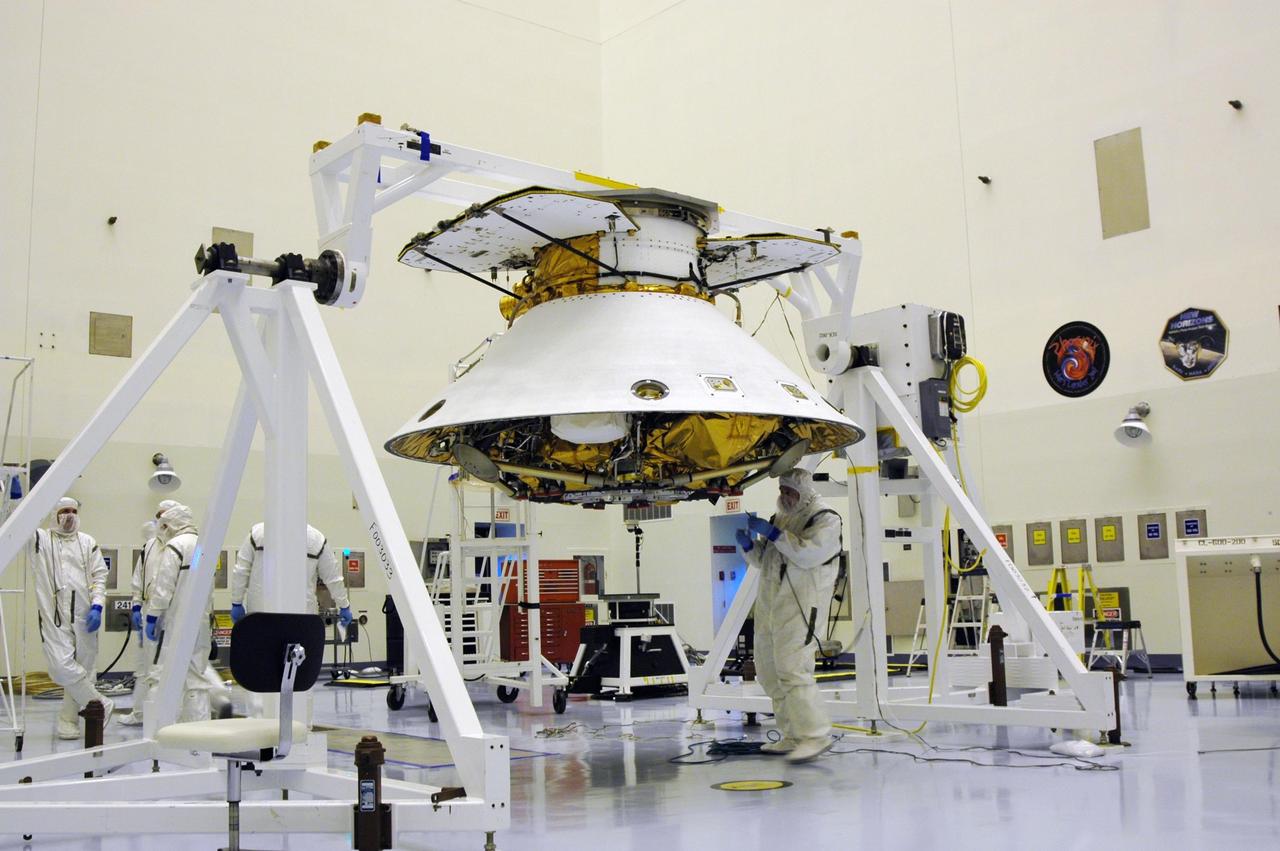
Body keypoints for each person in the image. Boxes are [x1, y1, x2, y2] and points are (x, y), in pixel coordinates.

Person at [736, 468, 842, 763]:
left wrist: (776, 535)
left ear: (804, 492)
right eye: (782, 491)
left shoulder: (825, 517)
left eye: (790, 492)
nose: (784, 497)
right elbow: (766, 560)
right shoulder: (781, 516)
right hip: (771, 603)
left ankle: (815, 735)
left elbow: (807, 554)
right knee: (769, 671)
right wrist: (748, 547)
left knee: (793, 669)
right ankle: (792, 735)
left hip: (801, 604)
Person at [31, 497, 113, 739]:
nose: (69, 516)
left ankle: (69, 721)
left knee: (84, 669)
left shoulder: (87, 542)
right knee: (61, 666)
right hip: (54, 613)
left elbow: (99, 576)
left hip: (85, 613)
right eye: (64, 511)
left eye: (73, 511)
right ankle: (100, 704)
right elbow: (17, 525)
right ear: (55, 514)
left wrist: (98, 606)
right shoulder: (42, 539)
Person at [142, 503, 215, 723]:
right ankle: (198, 729)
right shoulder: (201, 546)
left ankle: (156, 729)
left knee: (159, 672)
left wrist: (153, 615)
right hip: (200, 620)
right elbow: (199, 580)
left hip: (174, 620)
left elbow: (165, 588)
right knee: (195, 676)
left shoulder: (174, 546)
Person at [119, 500, 178, 726]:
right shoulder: (150, 546)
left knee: (167, 666)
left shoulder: (186, 545)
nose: (161, 521)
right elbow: (139, 578)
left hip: (173, 614)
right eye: (159, 516)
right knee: (144, 667)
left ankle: (166, 717)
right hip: (148, 612)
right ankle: (140, 712)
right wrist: (136, 606)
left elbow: (198, 575)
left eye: (166, 516)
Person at [231, 522, 351, 624]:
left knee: (262, 650)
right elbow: (333, 577)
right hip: (301, 617)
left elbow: (241, 570)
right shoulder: (316, 539)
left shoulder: (258, 533)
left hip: (261, 615)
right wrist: (344, 605)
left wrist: (237, 602)